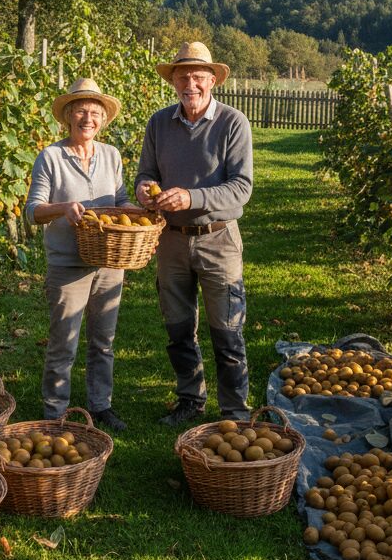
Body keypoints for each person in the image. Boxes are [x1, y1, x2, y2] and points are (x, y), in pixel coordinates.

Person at [135, 42, 253, 426]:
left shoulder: (232, 123)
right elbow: (146, 174)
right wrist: (144, 188)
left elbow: (241, 188)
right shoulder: (159, 123)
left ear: (213, 80)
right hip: (170, 239)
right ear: (173, 81)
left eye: (198, 76)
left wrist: (191, 196)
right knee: (179, 327)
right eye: (182, 76)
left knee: (228, 329)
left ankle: (234, 409)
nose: (190, 84)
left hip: (218, 237)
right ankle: (191, 400)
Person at [25, 78, 132, 433]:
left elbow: (119, 203)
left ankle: (101, 405)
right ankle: (54, 413)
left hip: (109, 261)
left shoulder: (112, 155)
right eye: (81, 111)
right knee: (63, 342)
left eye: (95, 113)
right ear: (68, 116)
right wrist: (62, 208)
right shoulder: (51, 157)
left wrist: (144, 211)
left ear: (103, 120)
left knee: (104, 341)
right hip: (68, 264)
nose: (88, 118)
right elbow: (33, 210)